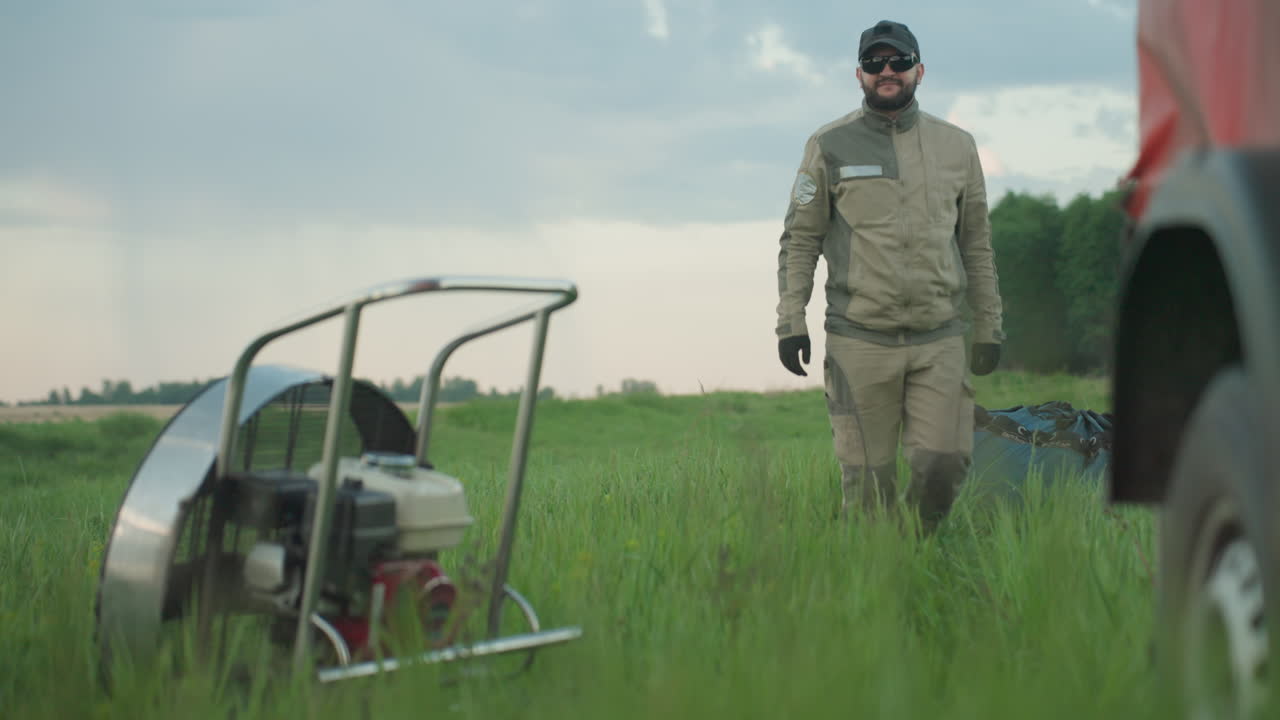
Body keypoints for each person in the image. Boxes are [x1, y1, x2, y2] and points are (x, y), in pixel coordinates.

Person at [774, 19, 1004, 532]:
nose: (887, 71)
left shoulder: (958, 147)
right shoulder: (828, 145)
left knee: (944, 464)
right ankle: (879, 581)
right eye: (875, 63)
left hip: (938, 338)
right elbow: (800, 239)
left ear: (918, 69)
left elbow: (977, 244)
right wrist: (791, 319)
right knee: (868, 487)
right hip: (860, 341)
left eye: (898, 61)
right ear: (859, 75)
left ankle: (917, 549)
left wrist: (989, 324)